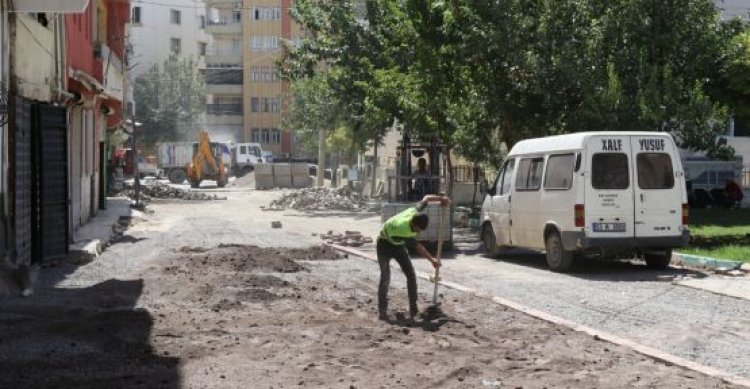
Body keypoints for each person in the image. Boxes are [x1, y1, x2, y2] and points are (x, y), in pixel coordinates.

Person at [377, 194, 450, 322]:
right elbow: (418, 247)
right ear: (414, 223)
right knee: (385, 276)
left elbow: (426, 198)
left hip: (397, 245)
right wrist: (432, 260)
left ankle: (414, 311)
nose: (418, 233)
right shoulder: (403, 229)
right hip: (383, 245)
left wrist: (441, 199)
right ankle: (382, 311)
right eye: (418, 230)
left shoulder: (414, 212)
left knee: (411, 275)